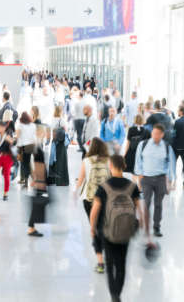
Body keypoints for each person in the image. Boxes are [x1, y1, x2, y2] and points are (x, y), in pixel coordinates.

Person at [89, 155, 142, 302]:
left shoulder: (104, 187)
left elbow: (95, 211)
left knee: (110, 263)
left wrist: (92, 228)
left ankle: (114, 296)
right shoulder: (132, 186)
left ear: (110, 166)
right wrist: (141, 225)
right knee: (121, 264)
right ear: (124, 166)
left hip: (107, 231)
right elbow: (140, 210)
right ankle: (118, 293)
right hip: (126, 231)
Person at [75, 137, 110, 272]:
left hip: (89, 200)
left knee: (94, 228)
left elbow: (80, 181)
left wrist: (74, 192)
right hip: (105, 199)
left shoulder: (86, 161)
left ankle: (100, 262)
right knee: (104, 226)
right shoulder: (109, 161)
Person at [134, 124, 175, 237]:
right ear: (152, 133)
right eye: (154, 133)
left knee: (158, 204)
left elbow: (171, 164)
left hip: (160, 179)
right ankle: (146, 226)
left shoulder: (167, 147)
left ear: (162, 135)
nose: (155, 135)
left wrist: (170, 181)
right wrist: (139, 178)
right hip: (146, 179)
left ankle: (156, 227)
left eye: (158, 134)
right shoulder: (143, 144)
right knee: (146, 203)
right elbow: (138, 161)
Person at [27, 125, 50, 237]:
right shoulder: (36, 144)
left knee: (38, 202)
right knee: (37, 203)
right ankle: (31, 228)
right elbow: (33, 163)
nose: (45, 134)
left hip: (40, 178)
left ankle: (31, 227)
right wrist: (35, 179)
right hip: (39, 179)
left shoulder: (38, 143)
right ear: (39, 132)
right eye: (44, 132)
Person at [49, 106, 70, 186]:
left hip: (54, 142)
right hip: (61, 143)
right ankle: (62, 181)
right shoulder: (62, 120)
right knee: (61, 161)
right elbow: (66, 130)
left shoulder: (52, 119)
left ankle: (53, 180)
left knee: (54, 160)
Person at [124, 115, 149, 180]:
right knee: (140, 171)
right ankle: (140, 187)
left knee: (133, 171)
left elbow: (128, 143)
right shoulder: (145, 130)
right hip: (141, 153)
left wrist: (125, 153)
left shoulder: (131, 129)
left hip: (132, 152)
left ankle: (135, 186)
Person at [16, 112, 36, 188]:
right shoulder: (33, 125)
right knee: (28, 163)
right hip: (32, 145)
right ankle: (31, 180)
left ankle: (26, 182)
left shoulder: (20, 125)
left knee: (25, 164)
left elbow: (17, 136)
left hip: (23, 146)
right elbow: (34, 136)